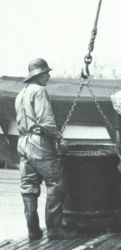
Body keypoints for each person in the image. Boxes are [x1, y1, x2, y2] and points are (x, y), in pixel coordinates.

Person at [15, 58, 72, 240]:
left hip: (23, 143)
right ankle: (55, 230)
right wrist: (59, 138)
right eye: (46, 73)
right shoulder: (39, 91)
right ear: (38, 75)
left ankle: (33, 231)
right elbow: (46, 121)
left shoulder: (20, 94)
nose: (49, 75)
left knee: (29, 187)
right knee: (55, 183)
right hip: (39, 143)